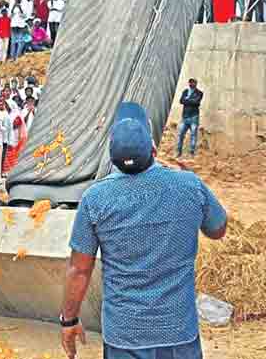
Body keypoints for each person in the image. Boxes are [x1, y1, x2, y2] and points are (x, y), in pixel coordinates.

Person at [60, 101, 227, 359]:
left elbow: (79, 270)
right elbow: (218, 229)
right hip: (178, 332)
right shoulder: (189, 186)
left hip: (125, 337)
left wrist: (69, 320)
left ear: (111, 156)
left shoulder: (95, 199)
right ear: (153, 148)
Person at [176, 78, 203, 156]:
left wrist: (187, 99)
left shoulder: (199, 93)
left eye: (193, 82)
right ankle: (178, 152)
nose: (191, 84)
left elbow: (196, 102)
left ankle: (191, 153)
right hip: (185, 117)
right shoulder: (185, 91)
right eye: (190, 82)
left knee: (193, 135)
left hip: (194, 117)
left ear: (196, 83)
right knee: (180, 134)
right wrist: (190, 100)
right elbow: (181, 101)